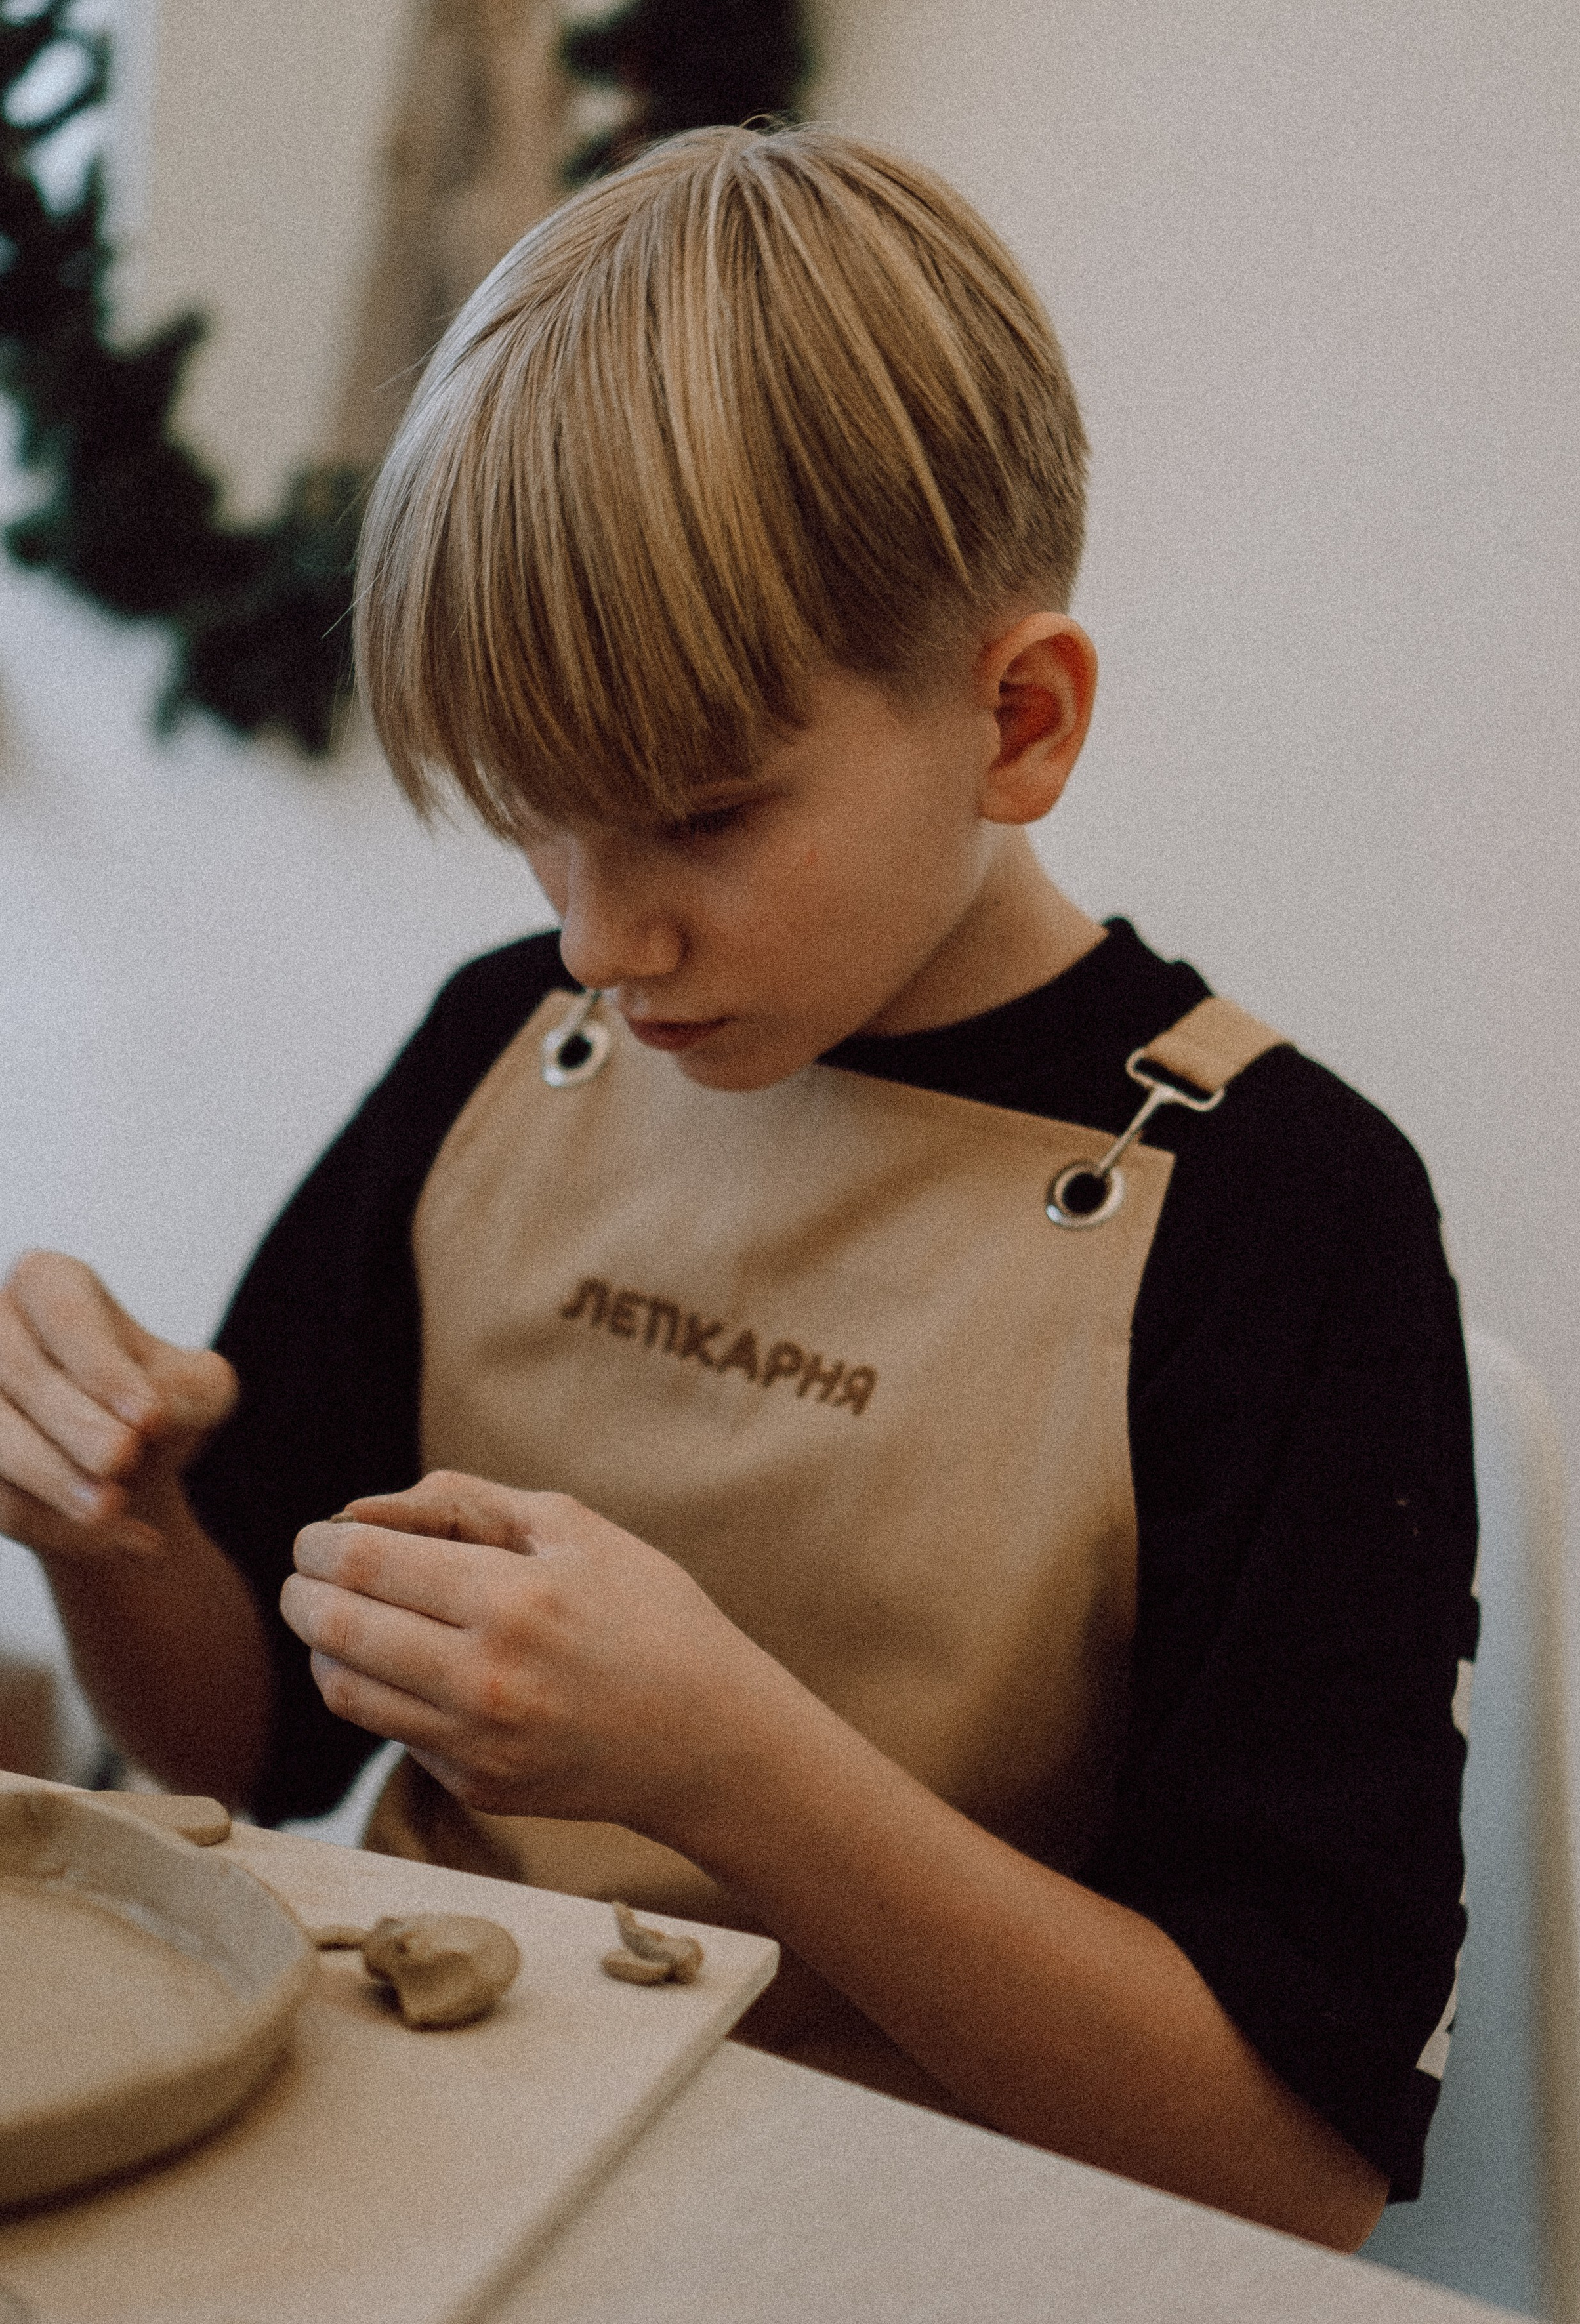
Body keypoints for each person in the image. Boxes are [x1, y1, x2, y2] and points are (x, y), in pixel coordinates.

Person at [0, 126, 1476, 2252]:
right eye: (535, 823)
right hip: (424, 2175)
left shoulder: (1277, 1219)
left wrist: (724, 1764)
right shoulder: (506, 1045)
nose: (605, 936)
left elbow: (1287, 2169)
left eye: (700, 820)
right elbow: (238, 1741)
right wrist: (119, 1526)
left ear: (1020, 719)